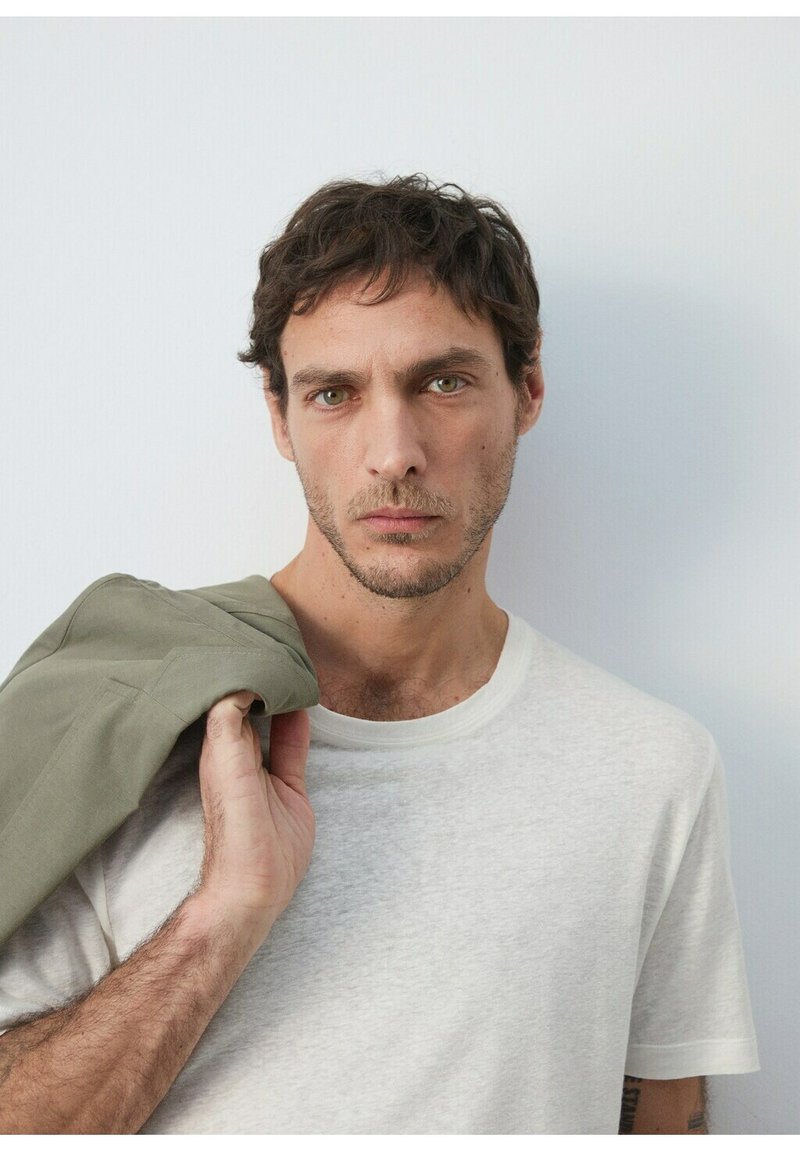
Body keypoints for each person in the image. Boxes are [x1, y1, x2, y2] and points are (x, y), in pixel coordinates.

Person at [0, 176, 758, 1134]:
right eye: (334, 393)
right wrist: (222, 914)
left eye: (443, 382)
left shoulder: (651, 767)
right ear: (280, 417)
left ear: (527, 390)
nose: (392, 452)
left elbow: (667, 1116)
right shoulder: (130, 711)